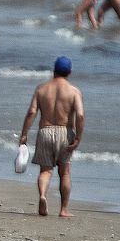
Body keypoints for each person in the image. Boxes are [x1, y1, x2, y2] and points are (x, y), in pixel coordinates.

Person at [18, 56, 85, 218]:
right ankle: (63, 209)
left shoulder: (41, 89)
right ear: (69, 72)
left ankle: (42, 195)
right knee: (65, 172)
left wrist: (24, 134)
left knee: (46, 171)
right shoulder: (74, 91)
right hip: (65, 132)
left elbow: (32, 112)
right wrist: (78, 137)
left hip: (45, 131)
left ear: (54, 70)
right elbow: (80, 115)